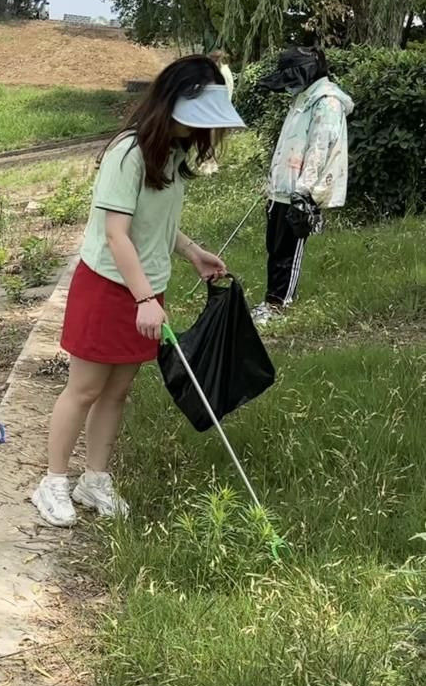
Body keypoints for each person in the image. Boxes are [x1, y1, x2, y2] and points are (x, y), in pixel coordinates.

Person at [31, 56, 245, 527]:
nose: (202, 130)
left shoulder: (173, 153)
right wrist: (145, 299)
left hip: (146, 288)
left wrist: (191, 251)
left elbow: (155, 224)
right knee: (85, 389)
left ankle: (95, 479)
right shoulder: (129, 153)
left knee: (118, 391)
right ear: (171, 102)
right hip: (108, 286)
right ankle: (52, 481)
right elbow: (116, 234)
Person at [252, 47, 354, 324]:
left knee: (289, 252)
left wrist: (303, 192)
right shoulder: (302, 98)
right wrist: (273, 183)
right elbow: (289, 144)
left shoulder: (328, 102)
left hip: (300, 192)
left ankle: (279, 305)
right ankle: (270, 301)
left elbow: (319, 150)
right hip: (281, 188)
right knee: (274, 249)